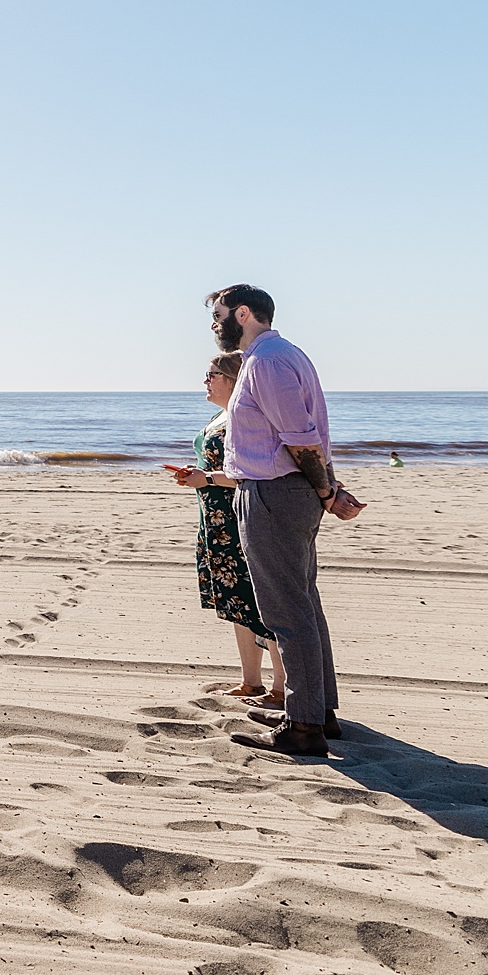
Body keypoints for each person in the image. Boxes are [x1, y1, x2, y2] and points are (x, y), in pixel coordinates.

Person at [206, 286, 359, 758]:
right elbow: (305, 436)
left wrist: (326, 489)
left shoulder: (267, 361)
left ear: (244, 313)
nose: (214, 325)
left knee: (286, 613)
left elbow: (300, 437)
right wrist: (327, 487)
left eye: (219, 315)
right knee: (303, 605)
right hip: (285, 491)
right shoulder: (279, 355)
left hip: (275, 493)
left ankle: (305, 726)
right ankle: (317, 711)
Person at [161, 352, 282, 705]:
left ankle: (280, 688)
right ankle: (251, 681)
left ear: (232, 378)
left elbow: (254, 470)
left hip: (239, 519)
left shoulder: (247, 417)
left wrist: (208, 477)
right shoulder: (220, 416)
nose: (205, 381)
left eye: (211, 374)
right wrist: (195, 474)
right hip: (213, 520)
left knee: (261, 603)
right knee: (236, 601)